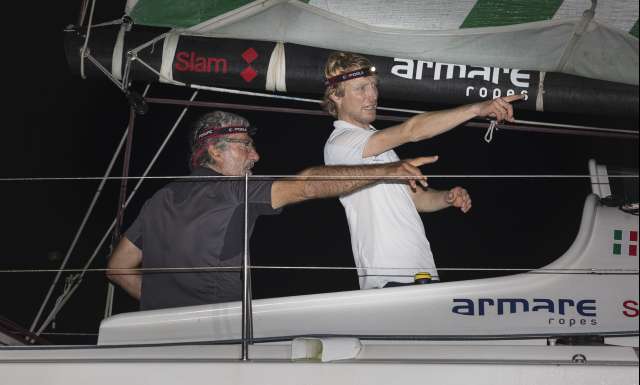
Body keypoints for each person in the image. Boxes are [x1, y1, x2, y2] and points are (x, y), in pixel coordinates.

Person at [106, 110, 437, 310]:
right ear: (214, 152)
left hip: (155, 335)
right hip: (214, 340)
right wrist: (387, 170)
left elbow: (118, 269)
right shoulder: (236, 190)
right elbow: (306, 185)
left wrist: (166, 306)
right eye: (245, 145)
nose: (256, 155)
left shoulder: (158, 199)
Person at [322, 52, 523, 289]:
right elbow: (412, 130)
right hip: (388, 279)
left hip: (422, 274)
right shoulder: (341, 142)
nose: (373, 96)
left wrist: (446, 198)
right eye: (361, 88)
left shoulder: (377, 146)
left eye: (374, 87)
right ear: (336, 95)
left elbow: (417, 199)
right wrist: (476, 109)